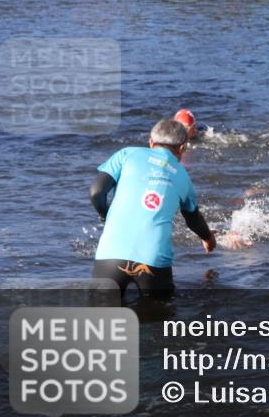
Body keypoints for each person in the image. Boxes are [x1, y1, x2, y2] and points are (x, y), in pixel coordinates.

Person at [89, 119, 216, 298]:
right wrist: (208, 238)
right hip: (154, 260)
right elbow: (193, 218)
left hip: (109, 256)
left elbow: (96, 193)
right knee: (157, 320)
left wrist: (105, 216)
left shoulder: (126, 154)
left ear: (150, 142)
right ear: (182, 148)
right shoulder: (183, 177)